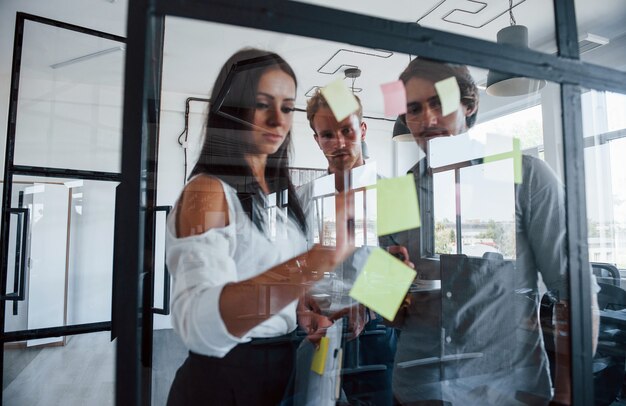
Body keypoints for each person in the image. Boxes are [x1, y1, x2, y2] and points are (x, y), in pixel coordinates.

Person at [389, 57, 600, 405]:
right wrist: (387, 285)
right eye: (413, 109)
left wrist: (567, 396)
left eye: (439, 102)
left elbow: (575, 293)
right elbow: (392, 316)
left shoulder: (525, 174)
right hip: (416, 389)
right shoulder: (394, 195)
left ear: (469, 105)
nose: (427, 120)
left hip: (504, 392)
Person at [165, 48, 354, 406]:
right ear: (232, 108)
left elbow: (264, 276)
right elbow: (200, 326)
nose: (277, 120)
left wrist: (299, 313)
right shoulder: (206, 192)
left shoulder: (279, 200)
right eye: (262, 104)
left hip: (283, 368)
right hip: (226, 383)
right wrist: (314, 262)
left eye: (286, 107)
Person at [298, 90, 410, 405]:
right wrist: (301, 299)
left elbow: (406, 266)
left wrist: (366, 308)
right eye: (328, 135)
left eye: (347, 130)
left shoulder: (393, 193)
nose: (340, 142)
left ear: (362, 129)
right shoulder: (306, 198)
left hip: (373, 335)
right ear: (317, 140)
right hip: (317, 331)